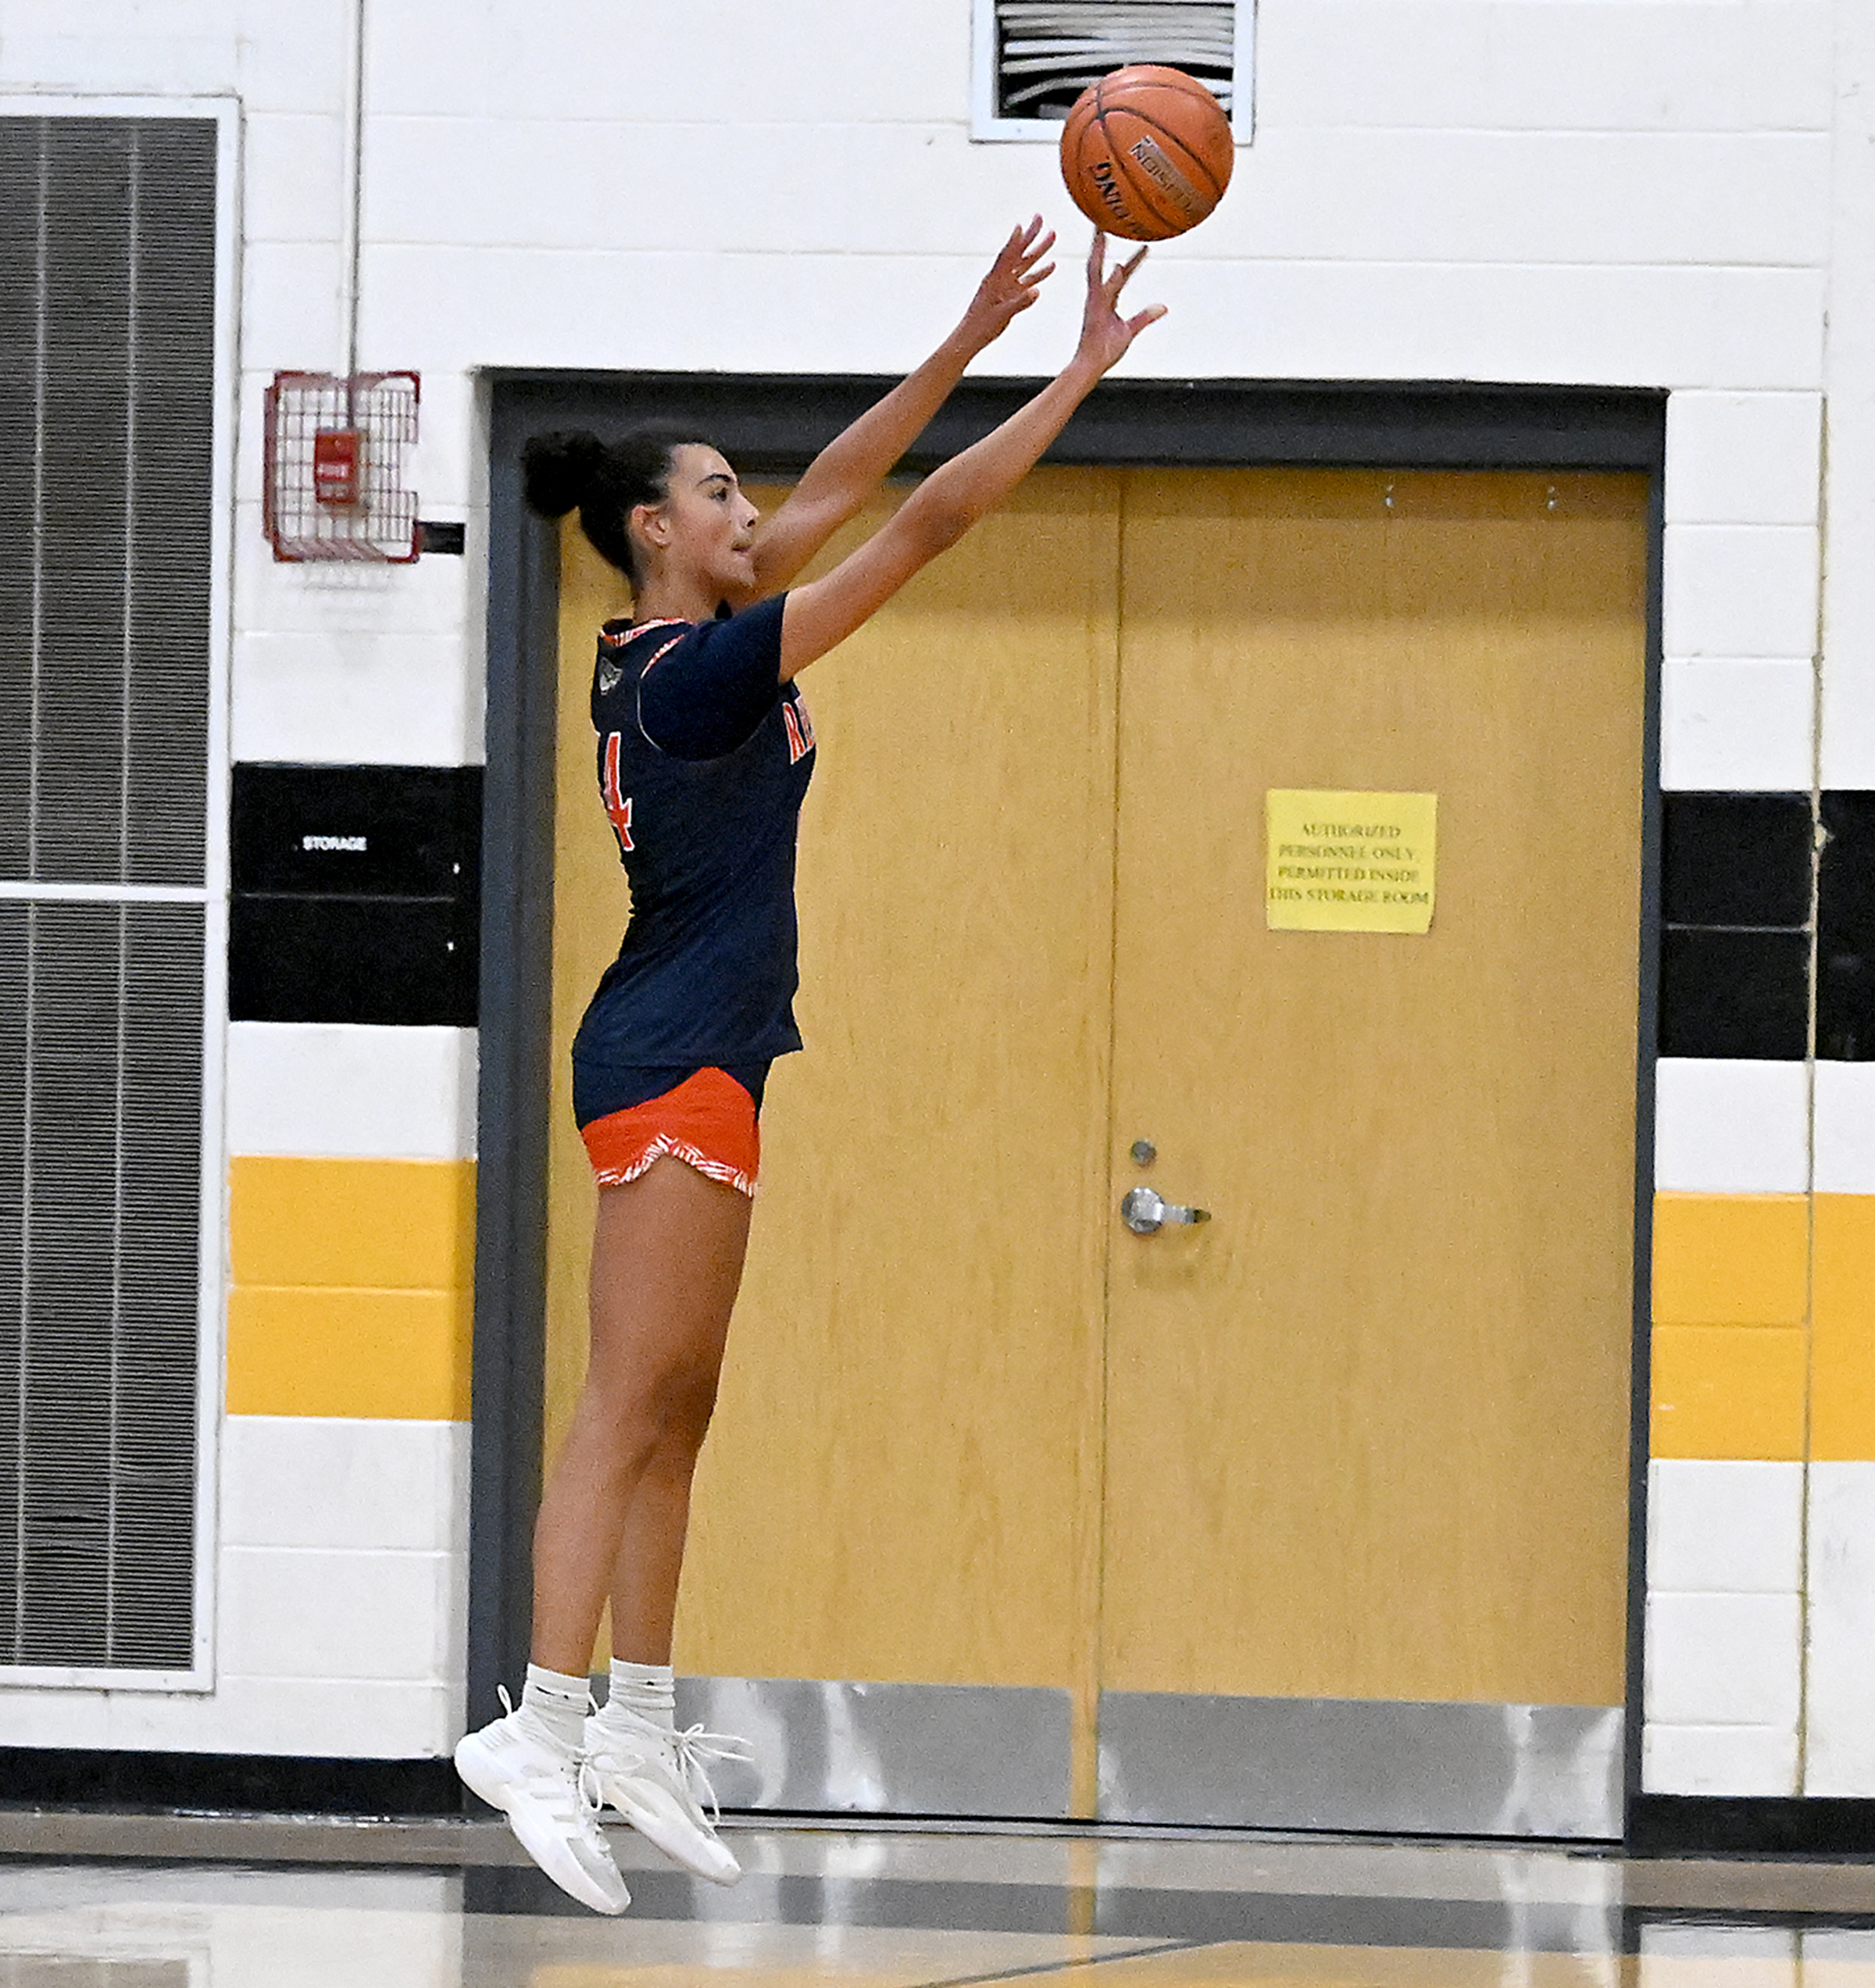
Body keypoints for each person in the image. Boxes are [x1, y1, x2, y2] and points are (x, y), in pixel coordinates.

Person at [453, 226, 1165, 1914]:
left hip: (707, 1055)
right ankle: (538, 1732)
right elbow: (919, 518)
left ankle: (638, 1720)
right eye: (718, 494)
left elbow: (852, 473)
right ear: (654, 531)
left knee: (683, 1411)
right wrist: (1072, 373)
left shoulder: (692, 640)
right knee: (626, 1407)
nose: (748, 509)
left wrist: (967, 330)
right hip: (667, 1055)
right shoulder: (701, 673)